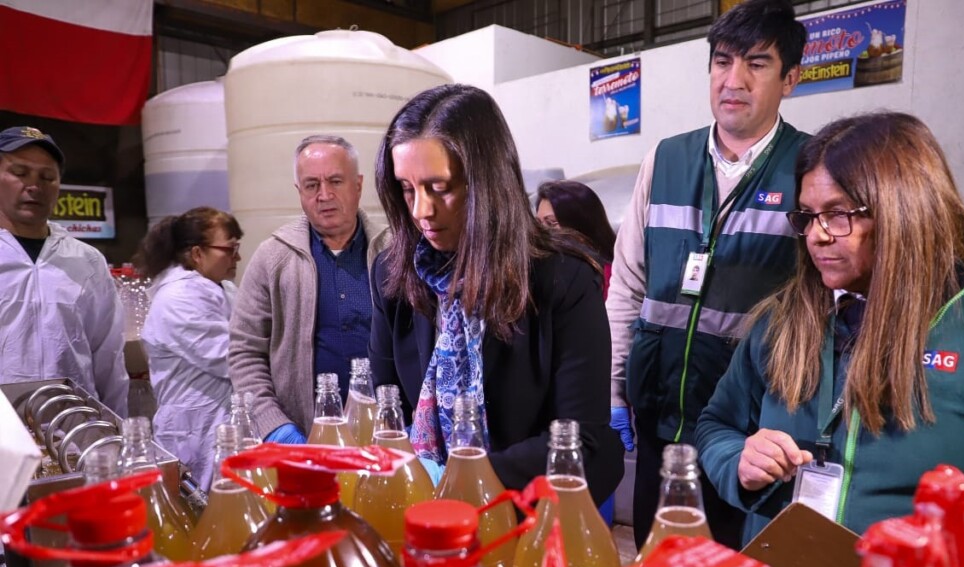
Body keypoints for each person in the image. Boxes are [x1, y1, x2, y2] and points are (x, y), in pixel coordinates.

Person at [696, 112, 964, 567]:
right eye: (808, 216)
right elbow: (715, 426)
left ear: (905, 209)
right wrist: (737, 460)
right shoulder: (782, 321)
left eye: (840, 214)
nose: (818, 234)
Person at [605, 0, 808, 550]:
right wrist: (616, 389)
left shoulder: (812, 166)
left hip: (750, 432)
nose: (733, 80)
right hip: (659, 416)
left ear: (791, 78)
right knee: (656, 566)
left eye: (756, 64)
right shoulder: (665, 159)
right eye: (722, 62)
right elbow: (627, 283)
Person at [369, 84, 622, 504]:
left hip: (524, 513)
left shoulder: (560, 280)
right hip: (422, 512)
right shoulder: (394, 276)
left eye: (439, 187)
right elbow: (387, 407)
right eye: (407, 189)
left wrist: (463, 481)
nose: (420, 211)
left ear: (488, 183)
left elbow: (581, 439)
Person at [229, 135, 387, 444]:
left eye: (336, 181)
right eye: (312, 185)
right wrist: (275, 427)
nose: (324, 194)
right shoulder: (273, 257)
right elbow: (245, 352)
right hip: (303, 437)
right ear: (299, 191)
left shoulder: (393, 252)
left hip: (386, 436)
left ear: (358, 185)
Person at [0, 125, 128, 415]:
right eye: (20, 173)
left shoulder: (86, 261)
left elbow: (108, 357)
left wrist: (115, 433)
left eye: (47, 177)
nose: (34, 185)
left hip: (73, 431)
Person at [135, 207, 242, 490]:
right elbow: (234, 358)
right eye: (229, 250)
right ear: (197, 254)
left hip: (220, 426)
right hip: (195, 431)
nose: (238, 257)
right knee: (200, 515)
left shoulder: (221, 288)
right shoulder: (179, 297)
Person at [535, 180, 617, 299]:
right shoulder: (540, 271)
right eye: (538, 223)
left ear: (579, 225)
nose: (541, 231)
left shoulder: (610, 277)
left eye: (551, 223)